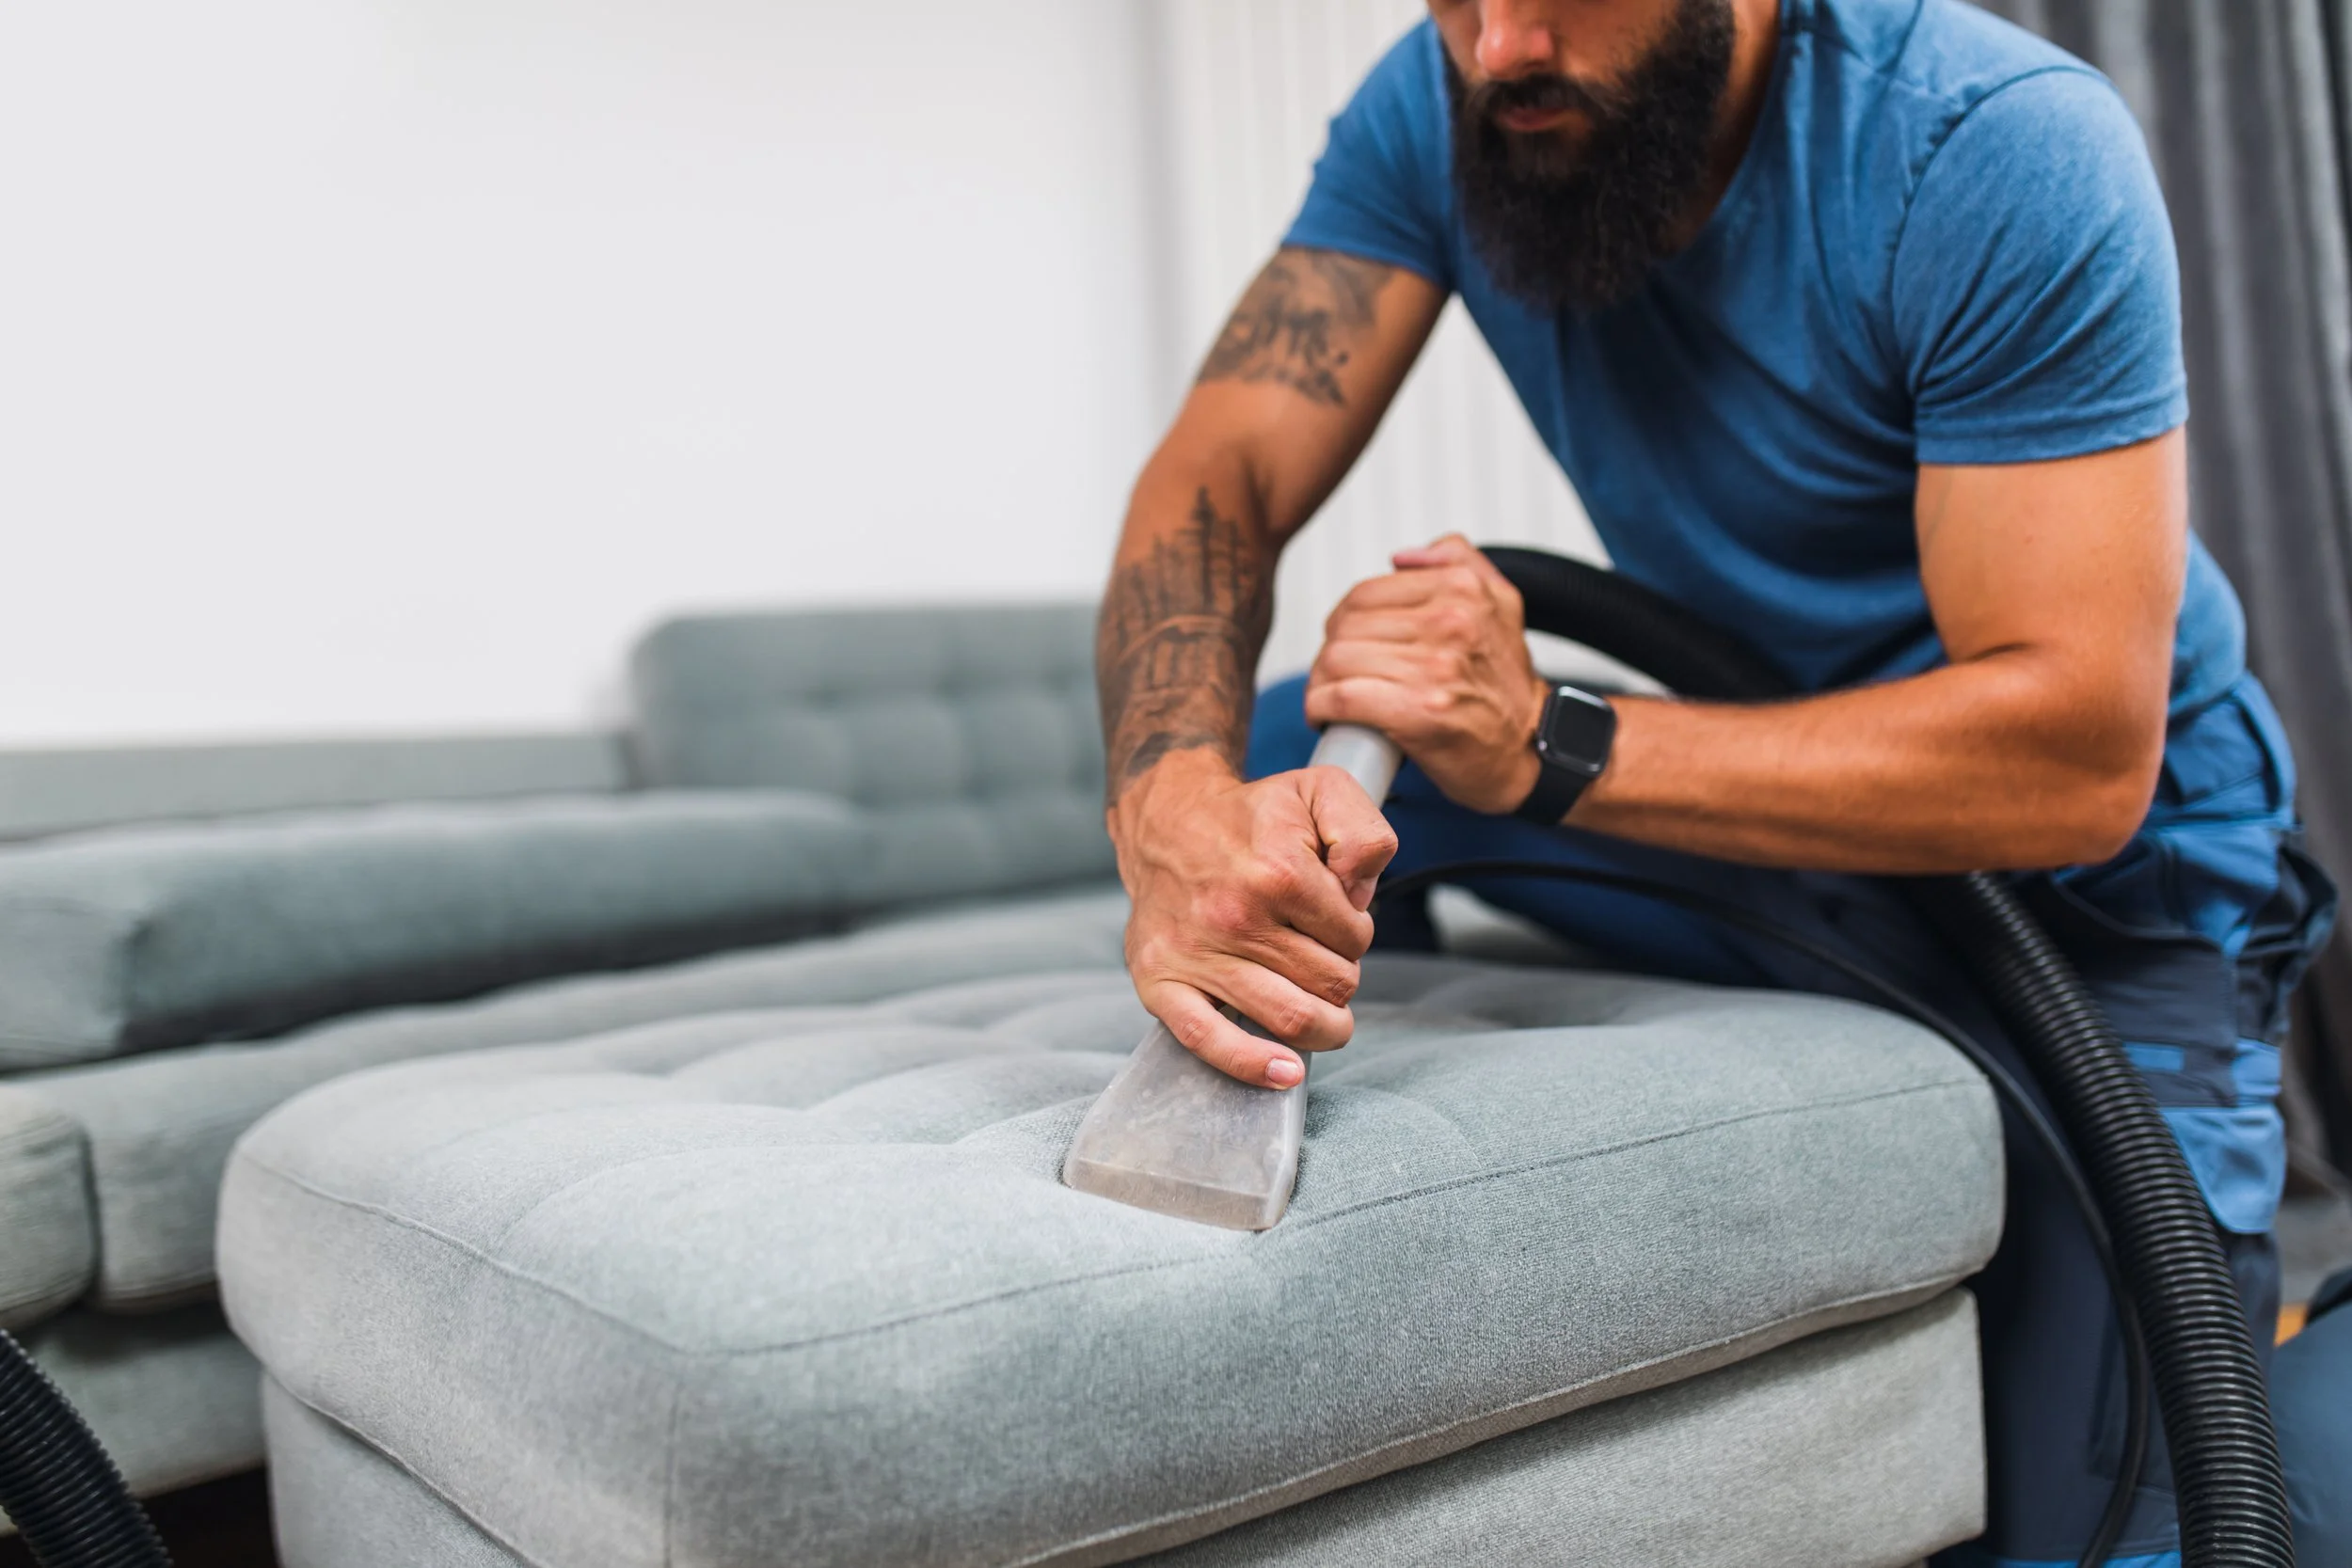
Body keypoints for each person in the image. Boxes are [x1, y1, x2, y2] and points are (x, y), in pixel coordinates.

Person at [1093, 2, 2340, 1564]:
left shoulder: (1993, 142)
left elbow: (2075, 752)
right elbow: (1224, 472)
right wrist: (1169, 807)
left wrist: (1548, 735)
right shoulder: (1450, 100)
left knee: (2132, 1533)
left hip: (2097, 887)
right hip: (1782, 807)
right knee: (1288, 744)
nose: (1500, 49)